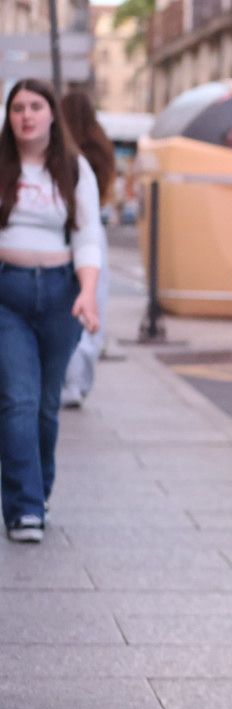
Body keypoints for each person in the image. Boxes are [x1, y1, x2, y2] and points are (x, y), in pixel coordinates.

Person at [0, 79, 102, 543]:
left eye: (35, 106)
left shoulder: (75, 169)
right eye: (17, 107)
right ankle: (24, 508)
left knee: (45, 407)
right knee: (18, 399)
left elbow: (88, 238)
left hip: (61, 294)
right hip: (9, 296)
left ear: (50, 115)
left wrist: (88, 292)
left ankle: (39, 491)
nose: (26, 115)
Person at [58, 91, 116, 407]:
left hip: (67, 233)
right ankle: (78, 381)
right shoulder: (100, 147)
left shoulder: (64, 154)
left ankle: (66, 378)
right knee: (94, 308)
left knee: (69, 304)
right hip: (95, 236)